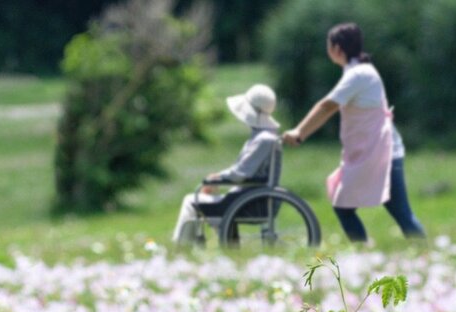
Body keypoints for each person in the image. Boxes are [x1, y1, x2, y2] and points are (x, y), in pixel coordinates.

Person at [282, 22, 425, 242]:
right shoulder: (359, 72)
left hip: (383, 154)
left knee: (390, 211)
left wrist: (299, 132)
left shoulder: (358, 75)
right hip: (378, 152)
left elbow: (327, 106)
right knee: (356, 206)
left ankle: (378, 252)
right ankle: (374, 253)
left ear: (337, 49)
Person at [172, 84, 280, 245]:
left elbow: (241, 174)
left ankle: (179, 247)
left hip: (249, 201)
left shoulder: (262, 139)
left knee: (190, 201)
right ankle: (227, 245)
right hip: (254, 197)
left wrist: (215, 179)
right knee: (207, 198)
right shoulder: (267, 137)